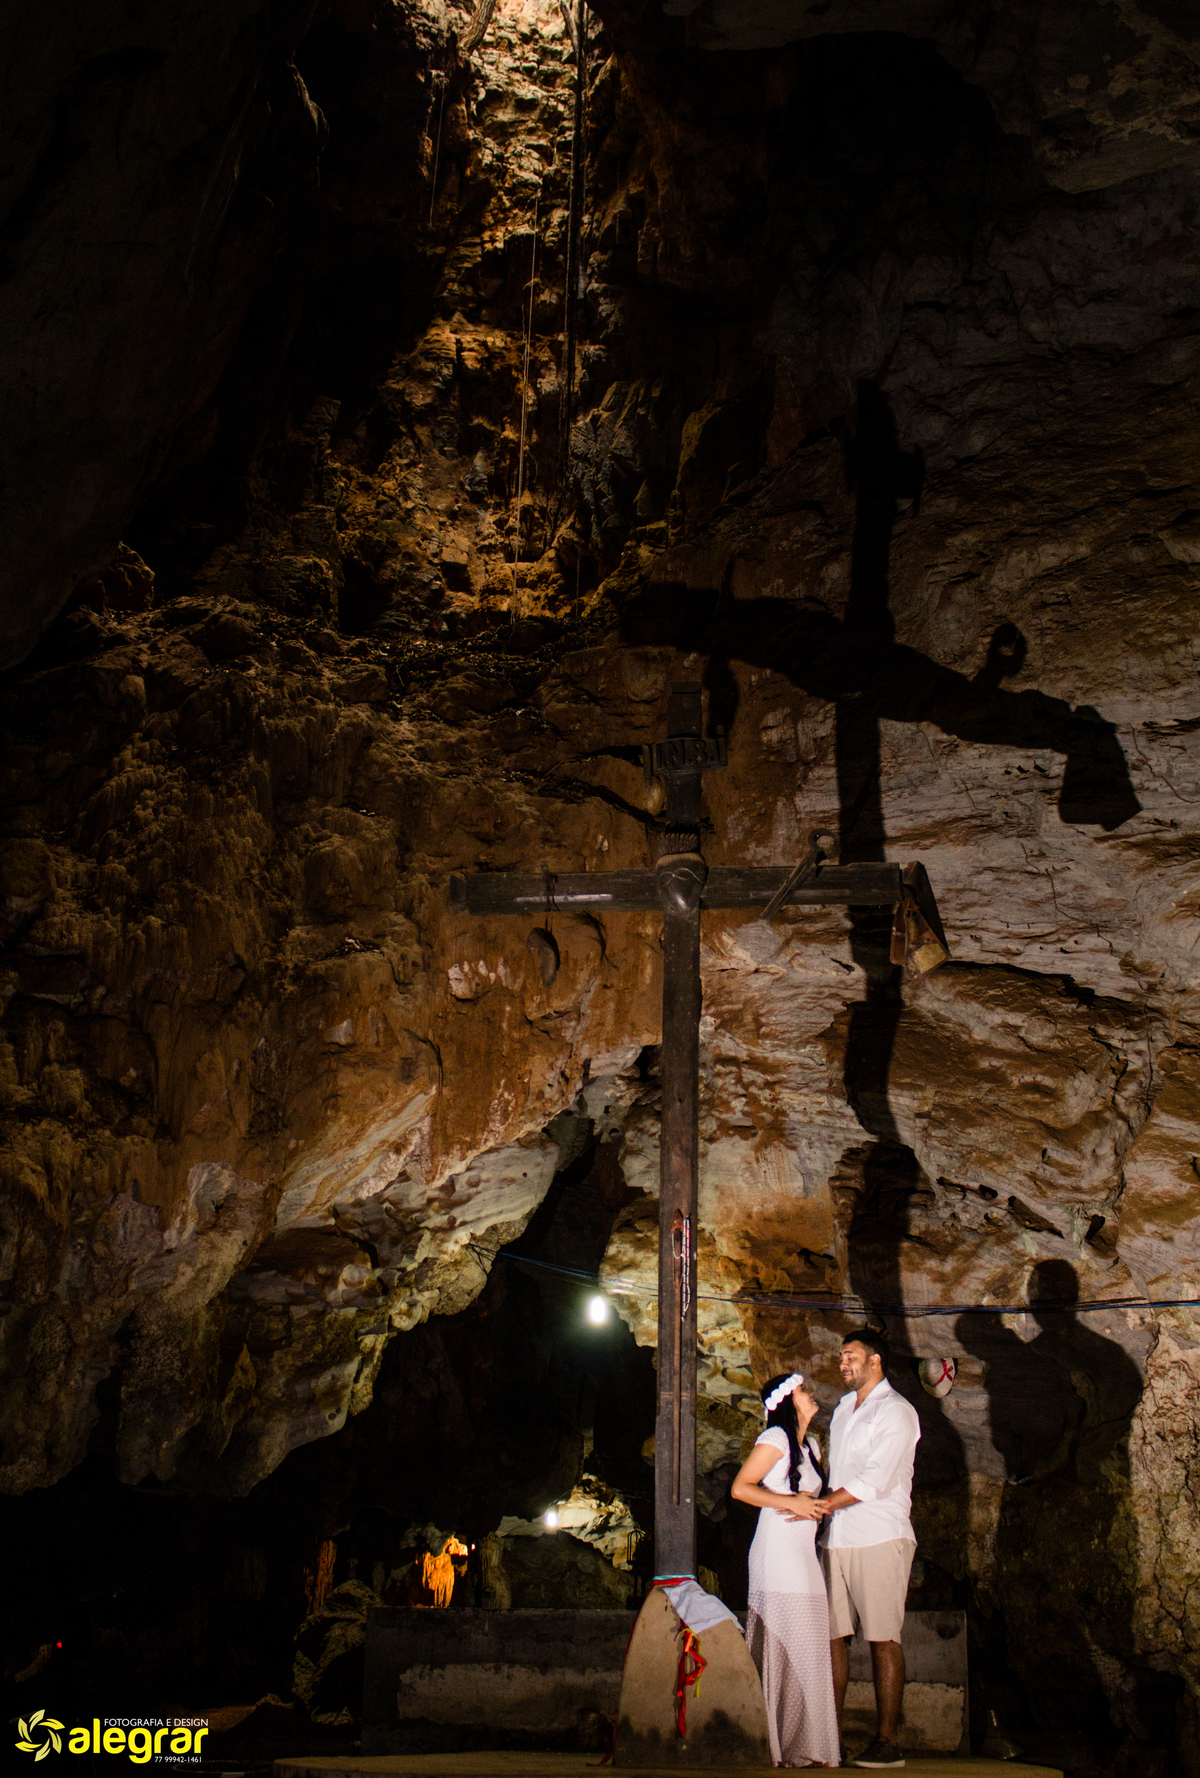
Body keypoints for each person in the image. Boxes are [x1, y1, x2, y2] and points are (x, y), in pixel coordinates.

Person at [821, 1329, 921, 1770]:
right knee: (832, 1637)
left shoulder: (897, 1411)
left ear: (875, 1360)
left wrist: (822, 1505)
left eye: (851, 1356)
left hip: (880, 1534)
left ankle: (887, 1742)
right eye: (841, 1357)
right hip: (837, 1537)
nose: (843, 1364)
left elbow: (874, 1480)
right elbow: (837, 1472)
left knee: (883, 1638)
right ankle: (830, 1738)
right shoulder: (843, 1408)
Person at [732, 1371, 841, 1769]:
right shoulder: (775, 1438)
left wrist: (818, 1506)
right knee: (784, 1645)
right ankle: (773, 1743)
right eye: (802, 1389)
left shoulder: (810, 1445)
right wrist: (791, 1503)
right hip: (777, 1553)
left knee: (811, 1646)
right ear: (786, 1400)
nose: (811, 1393)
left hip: (803, 1554)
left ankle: (809, 1746)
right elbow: (741, 1488)